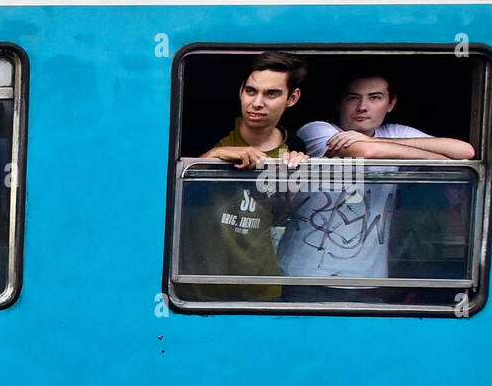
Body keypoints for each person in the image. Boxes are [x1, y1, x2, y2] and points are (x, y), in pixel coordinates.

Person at [277, 69, 476, 298]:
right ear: (339, 103)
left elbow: (465, 151)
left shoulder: (393, 133)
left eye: (375, 98)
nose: (362, 107)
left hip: (368, 279)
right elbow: (364, 151)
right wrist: (430, 157)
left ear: (390, 104)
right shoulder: (318, 129)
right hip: (304, 275)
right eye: (353, 97)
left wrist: (377, 140)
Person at [178, 51, 311, 301]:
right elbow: (174, 193)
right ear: (241, 90)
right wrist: (216, 154)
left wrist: (296, 176)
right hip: (199, 285)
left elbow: (282, 215)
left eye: (271, 94)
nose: (257, 102)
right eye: (251, 91)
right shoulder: (208, 131)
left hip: (261, 285)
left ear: (292, 97)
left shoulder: (294, 144)